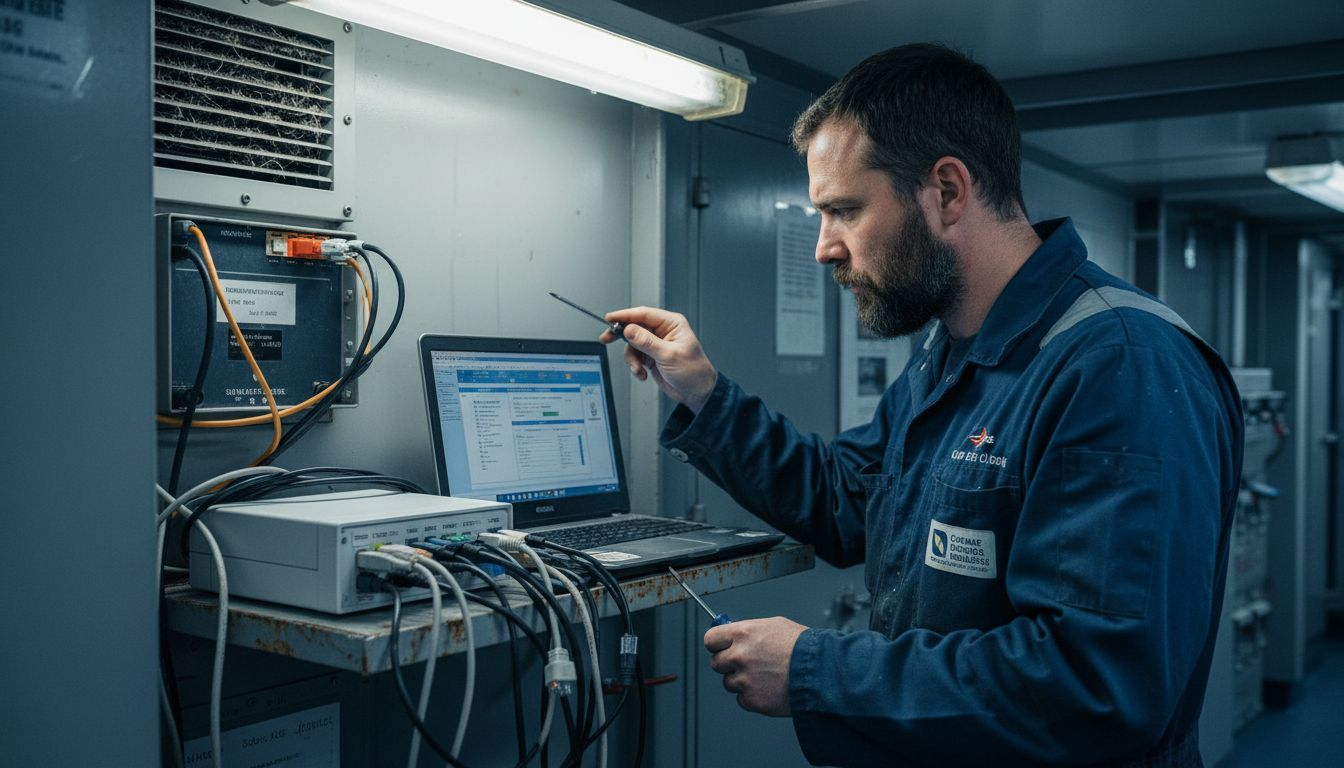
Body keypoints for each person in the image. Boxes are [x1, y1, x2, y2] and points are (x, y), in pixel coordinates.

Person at [599, 43, 1244, 767]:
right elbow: (851, 499)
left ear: (945, 191)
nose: (823, 248)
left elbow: (1099, 689)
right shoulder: (950, 353)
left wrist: (815, 670)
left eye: (843, 210)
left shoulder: (1119, 366)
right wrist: (704, 395)